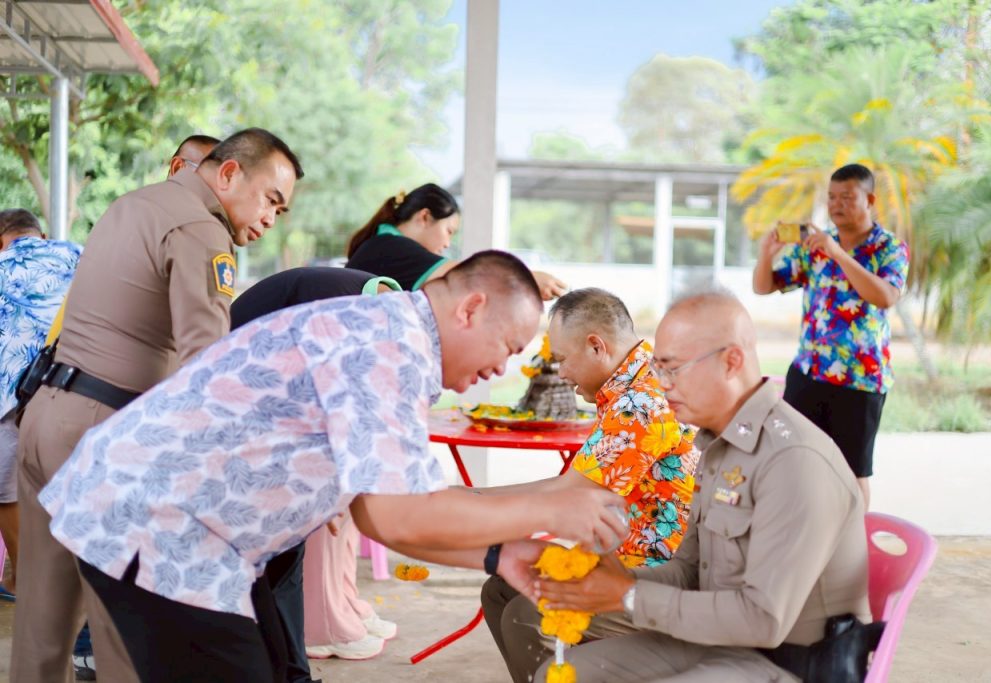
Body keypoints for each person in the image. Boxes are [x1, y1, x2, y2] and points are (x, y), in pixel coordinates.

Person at [38, 252, 627, 683]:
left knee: (275, 665)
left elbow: (378, 514)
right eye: (508, 347)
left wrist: (499, 555)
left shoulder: (397, 338)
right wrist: (551, 508)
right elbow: (401, 516)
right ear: (472, 309)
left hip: (198, 531)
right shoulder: (389, 345)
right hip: (158, 522)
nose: (501, 370)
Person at [12, 128, 303, 683]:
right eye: (271, 200)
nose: (271, 219)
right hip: (103, 440)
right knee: (128, 644)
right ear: (229, 173)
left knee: (41, 635)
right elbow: (204, 370)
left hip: (47, 415)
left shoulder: (134, 203)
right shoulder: (201, 230)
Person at [526, 289, 871, 682]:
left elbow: (763, 620)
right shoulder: (717, 447)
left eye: (672, 369)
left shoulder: (793, 459)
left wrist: (628, 596)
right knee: (559, 674)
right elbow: (689, 572)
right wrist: (613, 580)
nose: (661, 384)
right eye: (657, 368)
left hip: (791, 663)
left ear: (731, 362)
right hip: (719, 641)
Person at [479, 287, 700, 679]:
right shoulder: (633, 385)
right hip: (632, 559)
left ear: (597, 346)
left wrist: (468, 504)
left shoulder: (641, 403)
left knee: (527, 618)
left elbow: (571, 495)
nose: (561, 373)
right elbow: (573, 486)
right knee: (502, 589)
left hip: (666, 578)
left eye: (562, 359)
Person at [230, 267, 401, 680]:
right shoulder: (357, 312)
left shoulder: (380, 307)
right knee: (272, 564)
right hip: (245, 416)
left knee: (283, 563)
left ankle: (292, 672)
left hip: (270, 416)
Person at [752, 163, 909, 508]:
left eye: (847, 197)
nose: (837, 204)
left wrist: (837, 253)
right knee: (794, 461)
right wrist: (767, 253)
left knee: (853, 472)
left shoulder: (889, 248)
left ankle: (852, 539)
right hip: (808, 372)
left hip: (859, 379)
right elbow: (764, 286)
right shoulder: (814, 245)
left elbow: (885, 296)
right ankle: (801, 529)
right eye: (832, 197)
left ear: (870, 200)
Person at [0, 209, 82, 603]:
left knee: (6, 489)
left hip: (10, 395)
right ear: (42, 235)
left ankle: (24, 580)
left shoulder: (3, 264)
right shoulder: (80, 254)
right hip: (77, 387)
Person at [345, 183, 569, 299]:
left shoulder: (381, 243)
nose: (447, 243)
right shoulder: (393, 248)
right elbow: (468, 274)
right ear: (425, 217)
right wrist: (527, 277)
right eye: (449, 231)